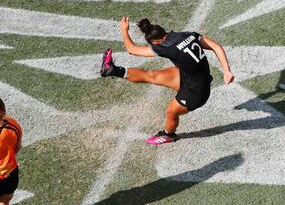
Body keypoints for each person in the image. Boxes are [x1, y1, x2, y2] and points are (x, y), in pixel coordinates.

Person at [100, 17, 235, 145]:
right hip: (189, 77)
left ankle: (168, 135)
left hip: (197, 93)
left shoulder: (167, 48)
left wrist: (124, 30)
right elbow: (216, 46)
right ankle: (112, 70)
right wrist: (226, 71)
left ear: (155, 42)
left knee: (171, 111)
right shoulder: (188, 35)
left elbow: (132, 49)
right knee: (153, 75)